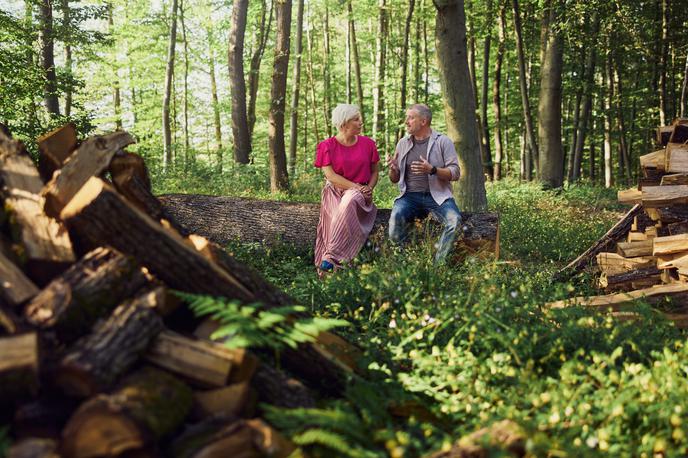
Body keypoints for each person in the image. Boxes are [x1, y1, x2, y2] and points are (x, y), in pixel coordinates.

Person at [387, 103, 462, 264]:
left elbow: (455, 173)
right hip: (409, 197)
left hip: (437, 197)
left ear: (424, 121)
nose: (406, 121)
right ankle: (405, 265)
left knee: (454, 220)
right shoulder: (403, 143)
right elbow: (394, 179)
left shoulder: (443, 142)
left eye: (411, 118)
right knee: (395, 220)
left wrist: (432, 170)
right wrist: (394, 169)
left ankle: (438, 265)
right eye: (407, 117)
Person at [314, 104, 380, 274]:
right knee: (334, 221)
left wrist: (368, 189)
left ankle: (330, 258)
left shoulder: (368, 144)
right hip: (334, 191)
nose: (361, 122)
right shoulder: (326, 146)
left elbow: (374, 172)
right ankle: (329, 275)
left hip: (359, 195)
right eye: (356, 119)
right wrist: (356, 187)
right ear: (344, 125)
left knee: (350, 199)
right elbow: (331, 176)